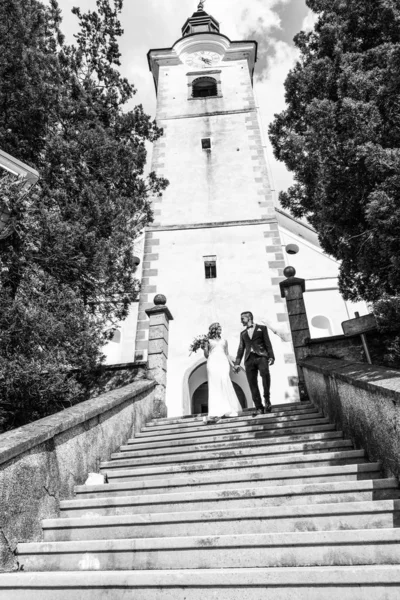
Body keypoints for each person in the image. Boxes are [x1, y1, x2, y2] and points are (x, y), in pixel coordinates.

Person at [234, 311, 275, 416]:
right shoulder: (243, 333)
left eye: (242, 318)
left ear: (249, 318)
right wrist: (237, 363)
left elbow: (267, 343)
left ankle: (267, 399)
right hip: (249, 359)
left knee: (265, 375)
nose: (241, 321)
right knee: (252, 383)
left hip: (261, 356)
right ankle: (259, 407)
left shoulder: (262, 329)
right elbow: (240, 348)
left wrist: (271, 356)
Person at [202, 322, 242, 424]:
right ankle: (216, 411)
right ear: (214, 329)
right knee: (215, 385)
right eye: (219, 328)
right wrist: (204, 348)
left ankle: (228, 409)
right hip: (212, 363)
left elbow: (227, 354)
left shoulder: (225, 341)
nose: (221, 330)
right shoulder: (208, 341)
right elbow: (207, 355)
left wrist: (233, 365)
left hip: (223, 362)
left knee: (224, 381)